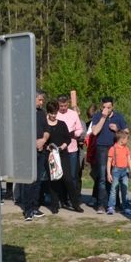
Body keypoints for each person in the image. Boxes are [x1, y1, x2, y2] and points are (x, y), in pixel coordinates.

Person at [90, 96, 128, 214]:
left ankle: (115, 203)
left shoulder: (118, 116)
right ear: (101, 106)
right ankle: (101, 204)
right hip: (102, 148)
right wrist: (103, 117)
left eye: (109, 107)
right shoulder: (97, 116)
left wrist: (117, 129)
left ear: (113, 106)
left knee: (114, 176)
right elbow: (95, 131)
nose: (107, 109)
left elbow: (126, 132)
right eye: (104, 107)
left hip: (115, 148)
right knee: (102, 177)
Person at [45, 100, 84, 214]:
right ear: (48, 113)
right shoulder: (45, 125)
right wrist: (48, 147)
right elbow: (42, 139)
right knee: (54, 180)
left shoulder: (62, 124)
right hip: (51, 156)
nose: (53, 116)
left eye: (55, 113)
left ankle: (75, 204)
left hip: (63, 154)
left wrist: (63, 146)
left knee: (68, 179)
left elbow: (68, 139)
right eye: (51, 113)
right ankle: (54, 205)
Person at [21, 91, 50, 221]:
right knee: (29, 181)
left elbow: (47, 130)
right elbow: (21, 132)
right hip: (28, 151)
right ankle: (27, 209)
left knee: (38, 180)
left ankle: (34, 207)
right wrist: (34, 142)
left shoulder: (42, 113)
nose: (42, 102)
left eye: (42, 100)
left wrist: (43, 140)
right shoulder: (25, 113)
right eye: (40, 100)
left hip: (40, 151)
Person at [56, 95, 84, 201]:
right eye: (61, 106)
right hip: (59, 149)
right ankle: (62, 198)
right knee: (60, 175)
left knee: (72, 175)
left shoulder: (73, 114)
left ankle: (72, 198)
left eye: (65, 105)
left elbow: (80, 129)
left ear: (68, 104)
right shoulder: (55, 114)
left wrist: (74, 134)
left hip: (72, 149)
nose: (63, 108)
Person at [106, 130, 131, 215]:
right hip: (116, 171)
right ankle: (111, 207)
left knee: (125, 190)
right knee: (113, 190)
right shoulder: (113, 148)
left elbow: (129, 160)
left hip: (125, 171)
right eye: (127, 139)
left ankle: (126, 207)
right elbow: (109, 161)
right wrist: (109, 174)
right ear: (121, 139)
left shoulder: (126, 148)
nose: (127, 140)